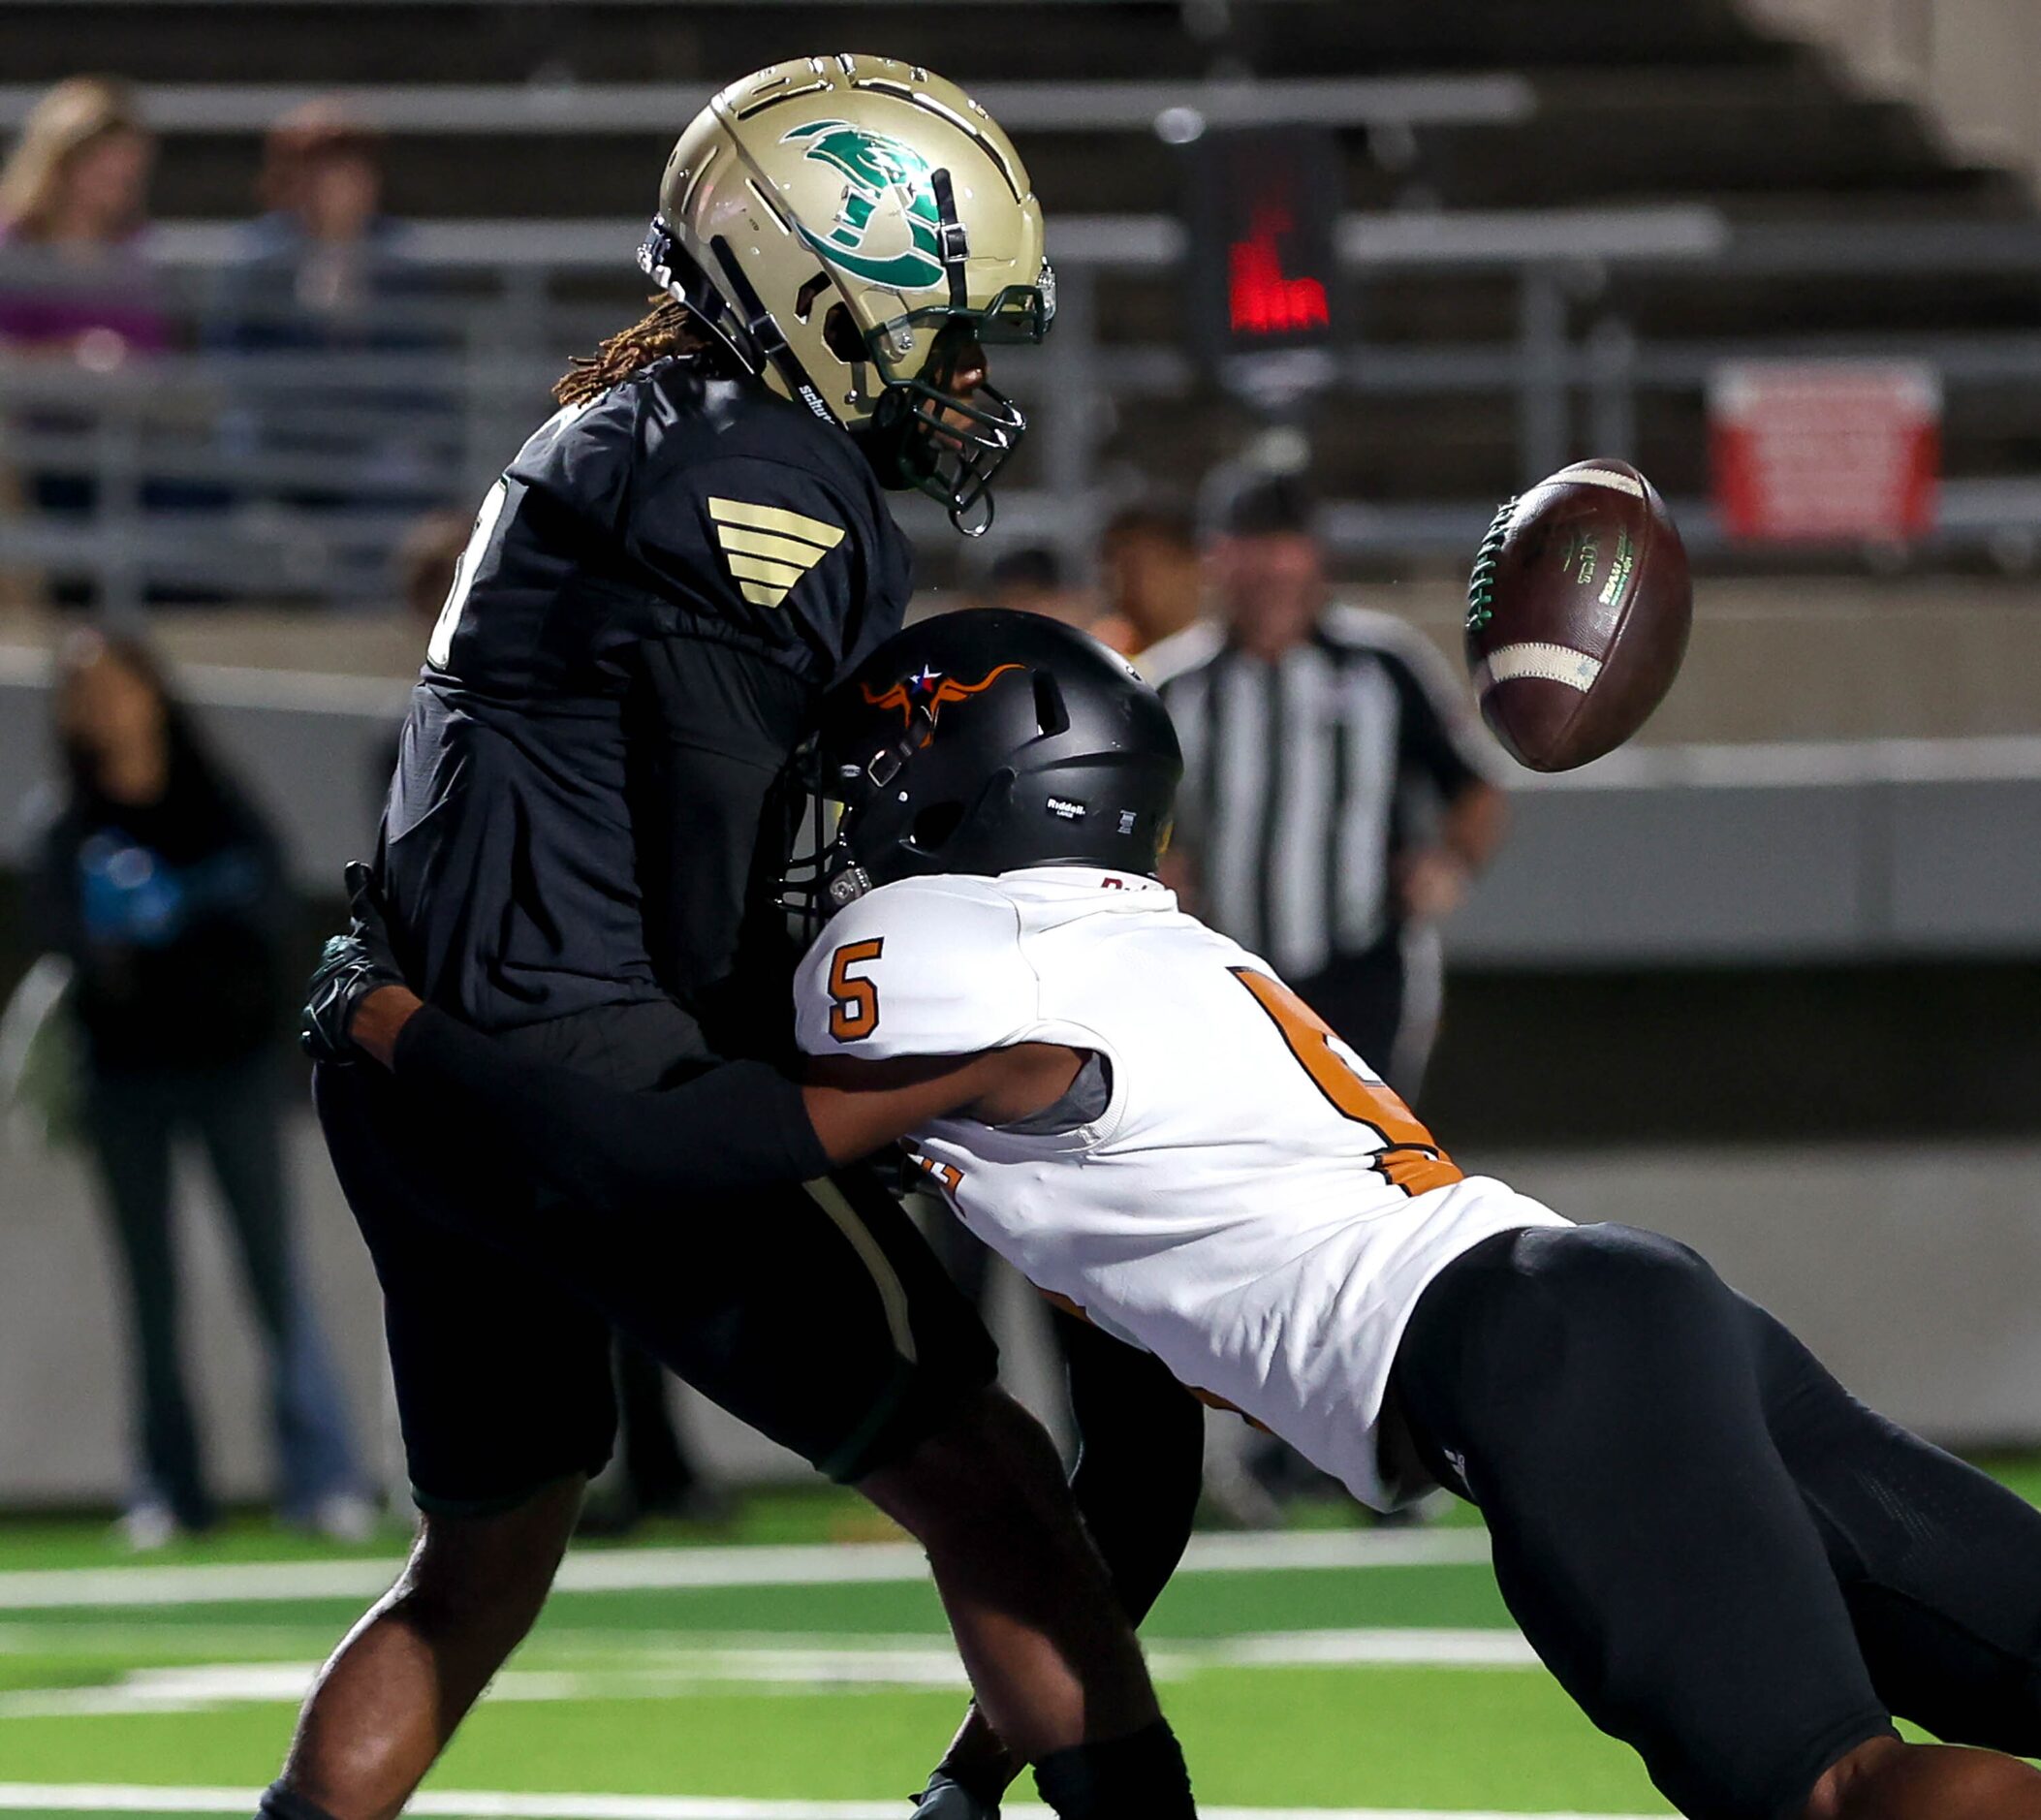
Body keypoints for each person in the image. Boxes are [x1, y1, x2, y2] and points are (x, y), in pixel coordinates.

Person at [309, 610, 2041, 1820]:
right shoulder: (1134, 968)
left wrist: (399, 1022)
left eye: (866, 779)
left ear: (963, 785)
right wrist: (980, 1769)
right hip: (1611, 1311)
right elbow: (1131, 1481)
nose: (832, 827)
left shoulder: (947, 953)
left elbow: (663, 1156)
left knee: (1829, 1786)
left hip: (1522, 1360)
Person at [280, 60, 1195, 1820]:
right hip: (598, 1071)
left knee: (477, 1563)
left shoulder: (631, 428)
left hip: (412, 1063)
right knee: (989, 1480)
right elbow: (728, 888)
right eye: (948, 330)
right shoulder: (759, 480)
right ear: (824, 303)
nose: (972, 376)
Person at [27, 630, 366, 1546]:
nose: (99, 707)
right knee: (151, 1289)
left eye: (113, 686)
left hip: (231, 1073)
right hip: (126, 1082)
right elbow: (67, 945)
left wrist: (187, 946)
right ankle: (168, 1487)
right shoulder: (66, 824)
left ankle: (324, 1476)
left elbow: (269, 928)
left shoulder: (219, 804)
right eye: (79, 692)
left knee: (273, 1273)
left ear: (151, 690)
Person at [1144, 466, 1506, 1103]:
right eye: (1252, 545)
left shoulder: (1384, 664)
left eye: (1284, 544)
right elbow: (1118, 810)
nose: (1271, 568)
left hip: (1361, 972)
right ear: (1216, 559)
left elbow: (1474, 786)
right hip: (1220, 976)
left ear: (1315, 556)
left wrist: (1449, 864)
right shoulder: (1174, 682)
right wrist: (1152, 868)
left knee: (1366, 1157)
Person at [0, 78, 173, 607]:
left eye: (129, 165)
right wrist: (70, 357)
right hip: (33, 445)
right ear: (63, 161)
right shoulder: (14, 245)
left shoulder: (137, 253)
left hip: (124, 439)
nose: (120, 178)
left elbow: (158, 357)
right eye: (106, 161)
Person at [1090, 501, 1202, 656]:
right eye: (1116, 569)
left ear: (1188, 567)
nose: (1123, 584)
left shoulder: (1219, 658)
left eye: (1138, 567)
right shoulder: (1105, 652)